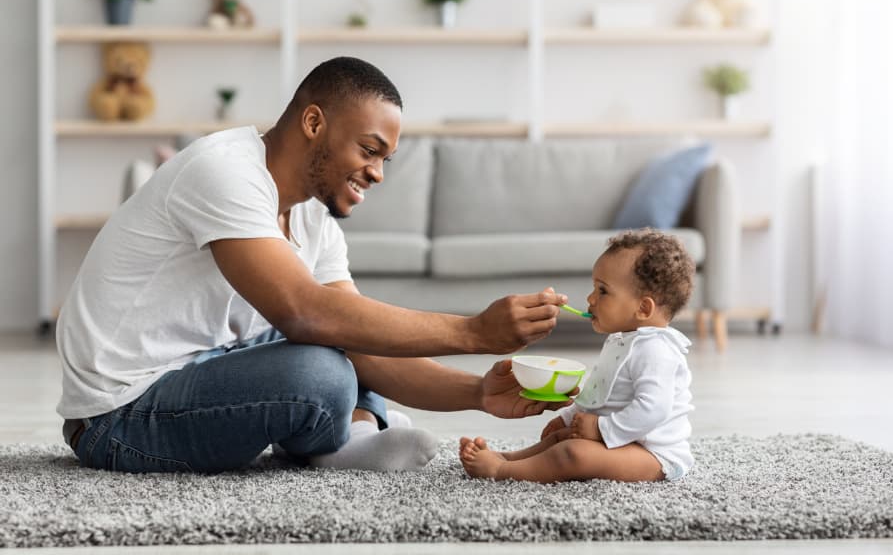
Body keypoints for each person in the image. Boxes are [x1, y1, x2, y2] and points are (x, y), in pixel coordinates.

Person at [56, 56, 573, 474]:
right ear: (313, 122)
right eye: (369, 150)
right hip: (118, 416)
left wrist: (479, 392)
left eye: (384, 160)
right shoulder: (225, 172)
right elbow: (305, 313)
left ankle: (350, 438)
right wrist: (473, 332)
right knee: (322, 367)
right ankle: (336, 436)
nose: (377, 173)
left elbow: (354, 333)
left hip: (202, 369)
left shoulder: (313, 220)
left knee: (356, 332)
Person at [459, 229, 696, 482]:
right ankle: (510, 458)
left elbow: (653, 409)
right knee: (563, 438)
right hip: (624, 442)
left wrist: (600, 429)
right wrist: (568, 418)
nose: (590, 298)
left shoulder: (656, 350)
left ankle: (501, 471)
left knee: (574, 452)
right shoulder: (622, 341)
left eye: (602, 291)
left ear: (643, 307)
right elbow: (599, 393)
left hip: (653, 455)